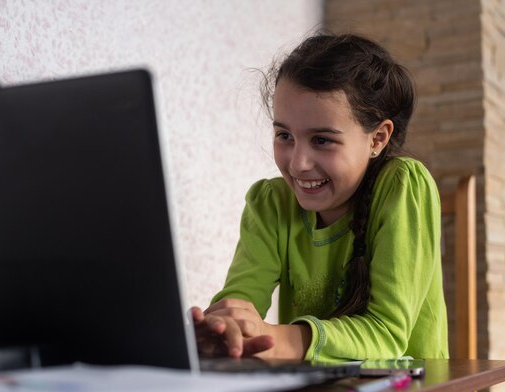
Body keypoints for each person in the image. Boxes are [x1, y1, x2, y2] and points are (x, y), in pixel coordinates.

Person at [191, 33, 448, 362]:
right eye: (284, 135)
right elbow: (241, 303)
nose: (298, 163)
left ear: (378, 139)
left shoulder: (402, 186)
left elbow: (387, 335)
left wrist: (279, 338)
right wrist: (226, 330)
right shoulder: (271, 203)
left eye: (323, 140)